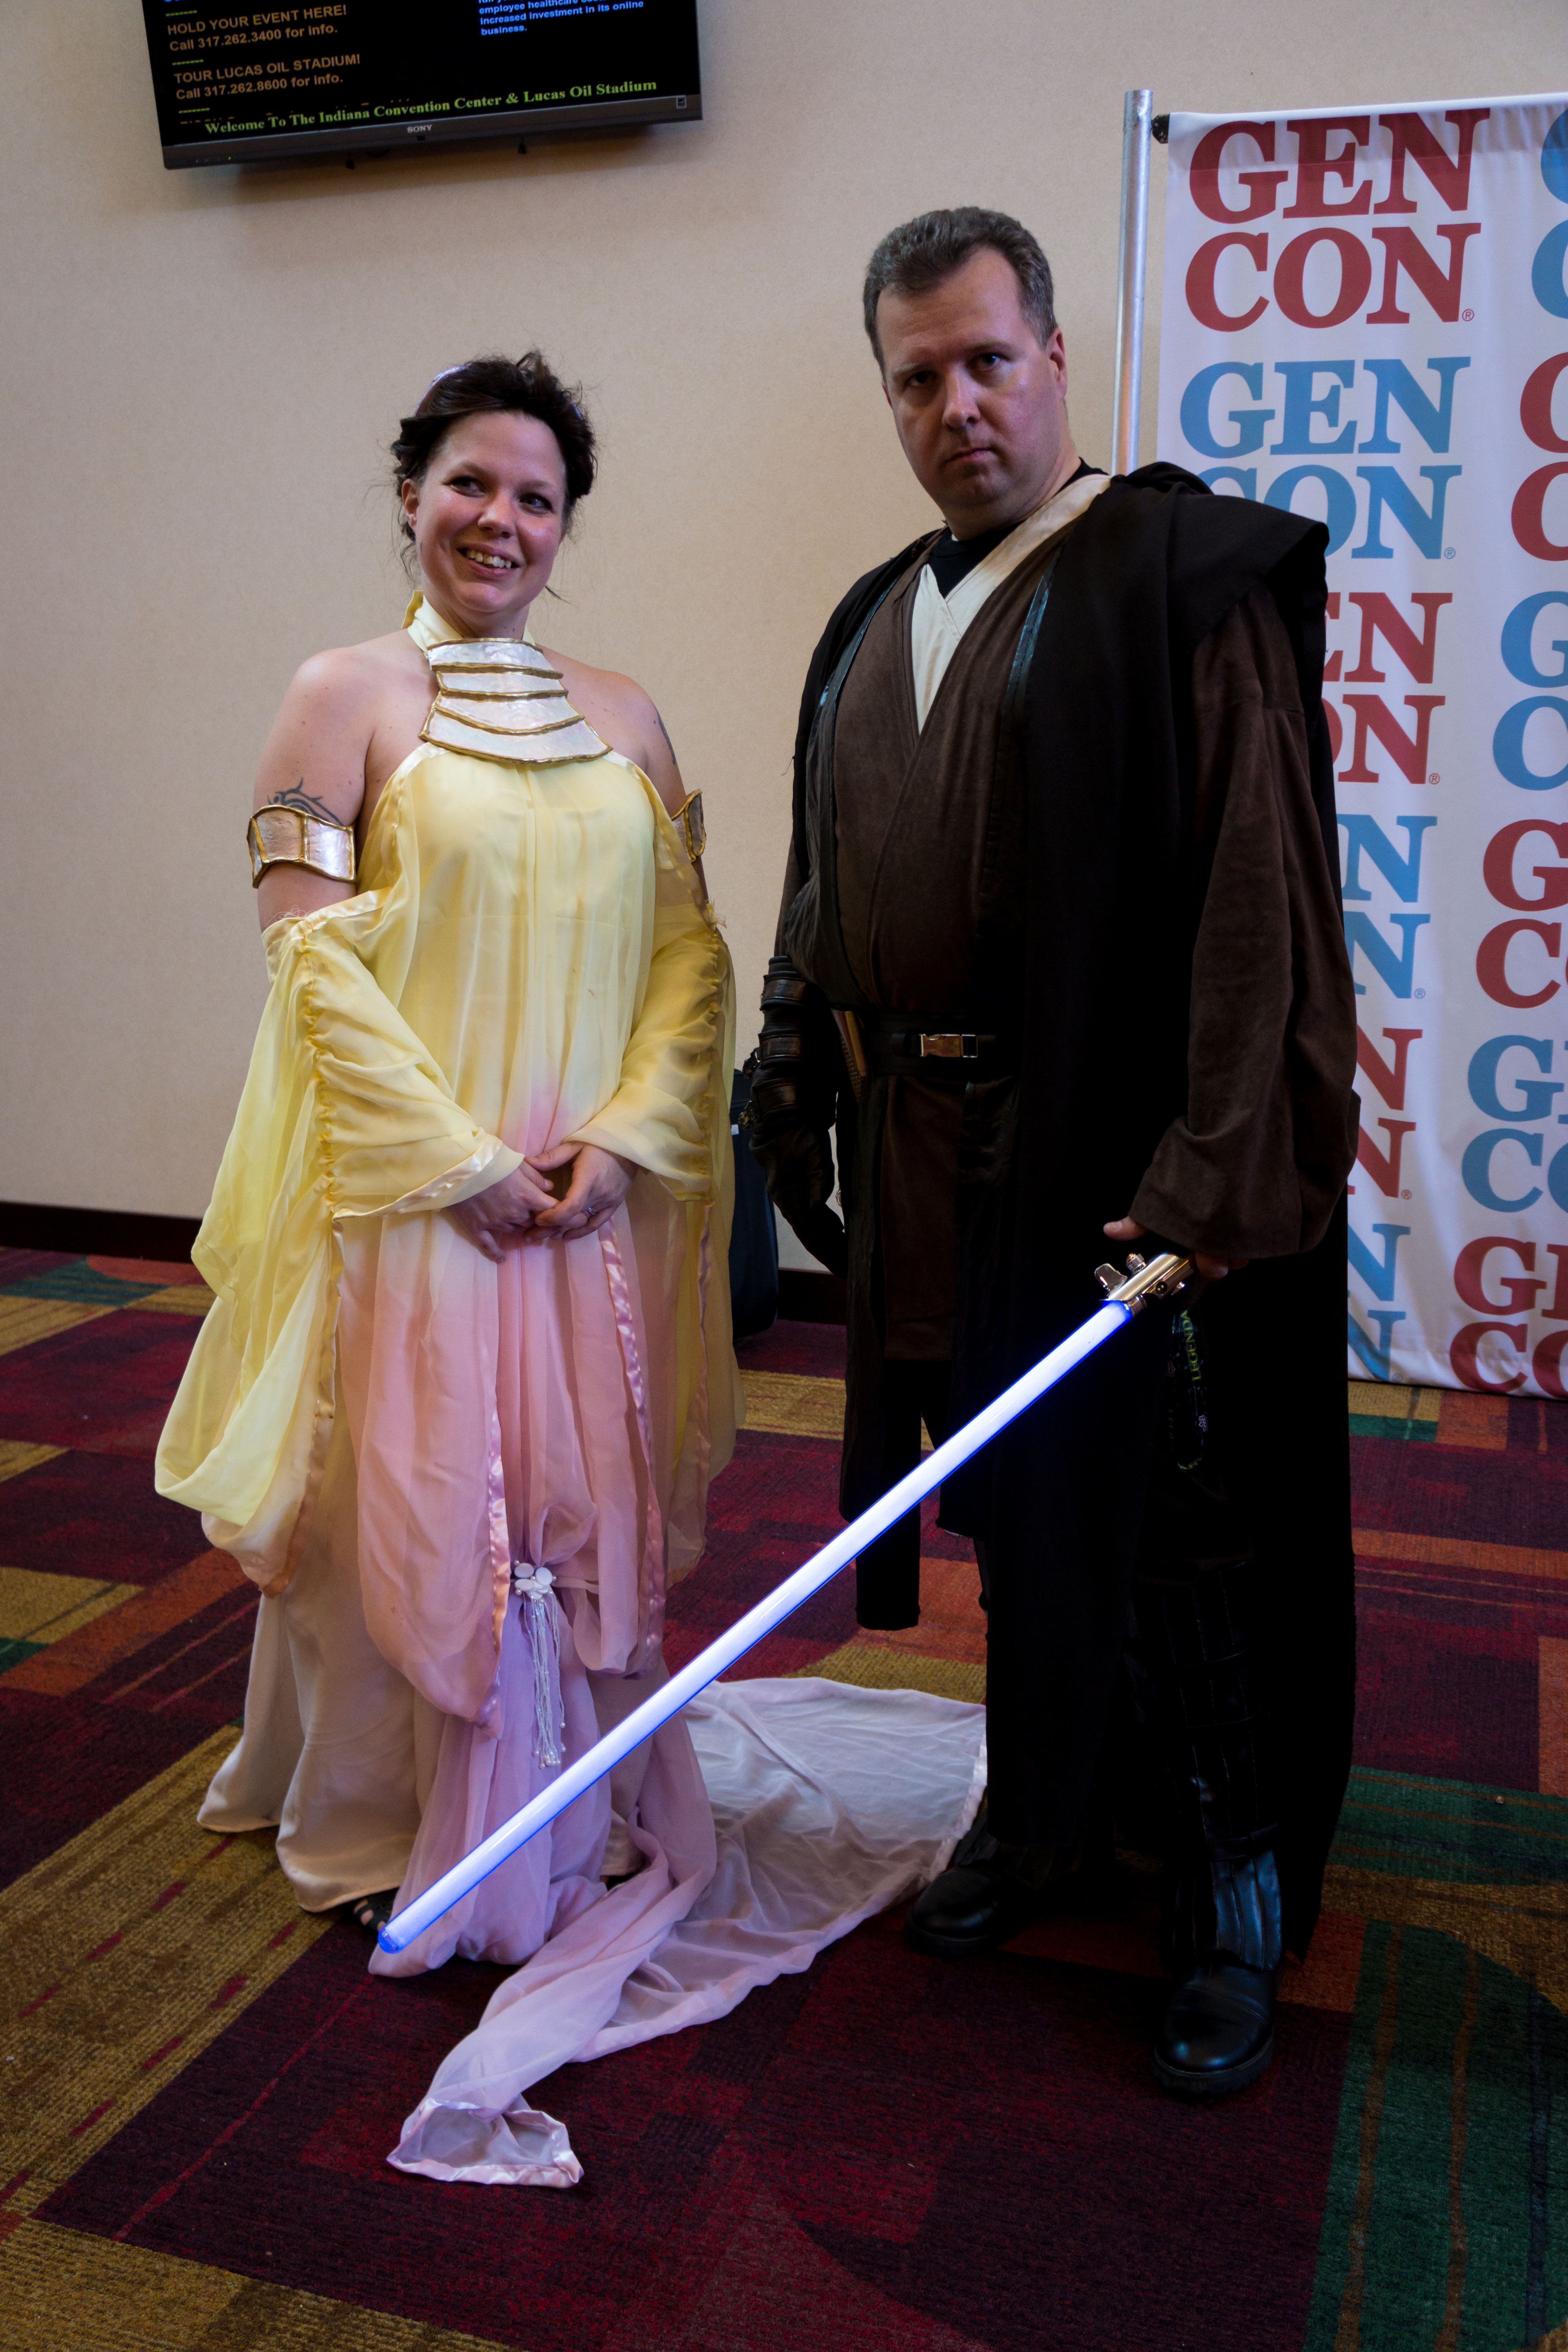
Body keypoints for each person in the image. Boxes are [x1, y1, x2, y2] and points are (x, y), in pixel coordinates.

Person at [748, 208, 1359, 2096]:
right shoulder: (870, 615)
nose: (957, 405)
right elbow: (824, 865)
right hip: (933, 1150)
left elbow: (1264, 894)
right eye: (916, 377)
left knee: (1174, 1524)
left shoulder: (1177, 570)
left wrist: (1212, 1171)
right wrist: (790, 1042)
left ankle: (1228, 1895)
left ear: (1058, 356)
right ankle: (1046, 1808)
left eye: (987, 360)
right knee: (1009, 1501)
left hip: (1113, 1157)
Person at [158, 352, 740, 1962]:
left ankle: (572, 1787)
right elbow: (311, 955)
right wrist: (456, 1157)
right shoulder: (343, 693)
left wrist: (623, 1137)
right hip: (423, 1192)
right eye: (470, 484)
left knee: (573, 1491)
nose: (501, 519)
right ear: (410, 494)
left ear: (568, 528)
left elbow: (691, 957)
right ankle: (376, 1809)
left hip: (589, 1193)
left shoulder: (627, 714)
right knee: (414, 1493)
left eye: (536, 498)